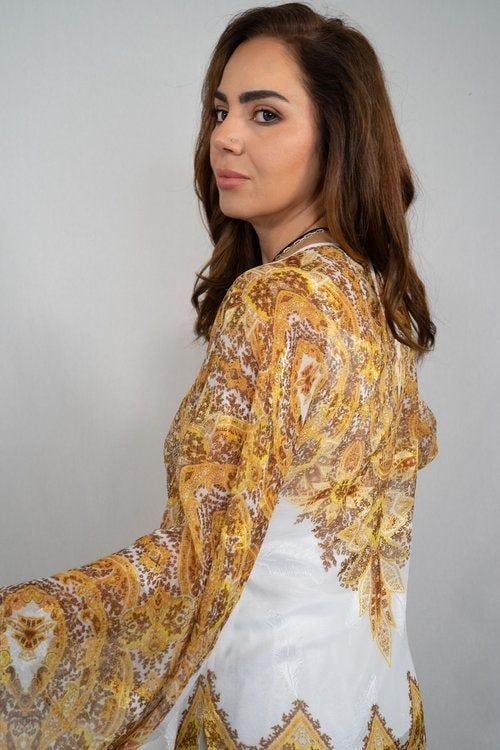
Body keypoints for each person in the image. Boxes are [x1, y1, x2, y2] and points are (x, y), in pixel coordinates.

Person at [0, 3, 439, 748]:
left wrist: (17, 626)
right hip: (381, 705)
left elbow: (194, 559)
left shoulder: (274, 300)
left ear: (337, 136)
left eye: (265, 114)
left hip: (268, 712)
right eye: (220, 109)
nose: (225, 137)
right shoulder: (377, 296)